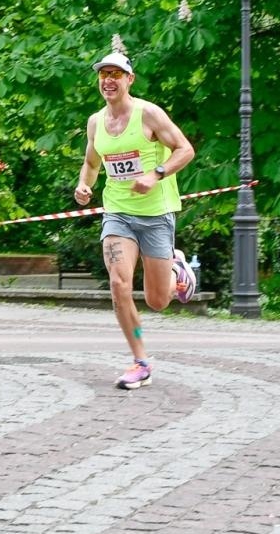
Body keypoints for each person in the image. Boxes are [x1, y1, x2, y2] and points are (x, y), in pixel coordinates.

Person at [73, 49, 196, 389]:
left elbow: (185, 149)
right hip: (118, 214)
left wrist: (156, 174)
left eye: (116, 74)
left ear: (129, 79)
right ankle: (140, 361)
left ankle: (177, 271)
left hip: (156, 215)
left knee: (158, 301)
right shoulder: (96, 122)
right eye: (103, 74)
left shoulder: (149, 114)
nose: (108, 80)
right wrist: (84, 185)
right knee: (118, 284)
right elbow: (92, 163)